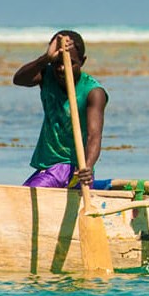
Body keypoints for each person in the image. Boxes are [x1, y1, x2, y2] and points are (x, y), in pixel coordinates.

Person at [12, 31, 108, 188]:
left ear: (82, 62)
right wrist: (46, 58)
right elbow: (19, 80)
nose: (63, 68)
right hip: (47, 166)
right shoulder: (47, 75)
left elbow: (94, 136)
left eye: (71, 63)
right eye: (57, 62)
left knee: (23, 197)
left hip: (74, 169)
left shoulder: (93, 92)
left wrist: (88, 167)